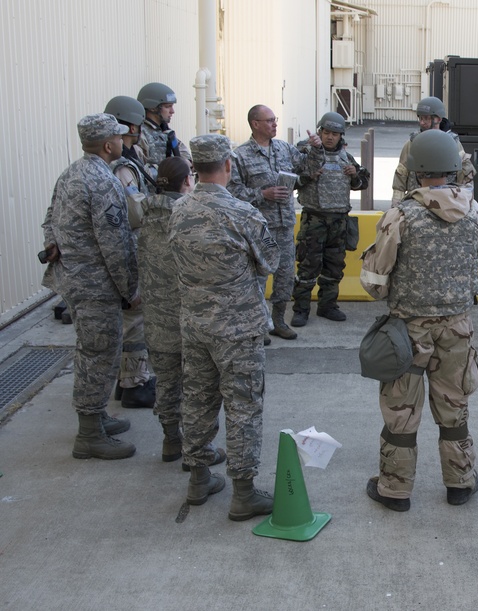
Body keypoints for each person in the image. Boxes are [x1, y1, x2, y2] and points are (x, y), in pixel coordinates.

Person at [361, 129, 478, 512]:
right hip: (458, 327)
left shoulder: (400, 216)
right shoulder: (473, 211)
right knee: (453, 406)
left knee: (401, 410)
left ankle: (395, 490)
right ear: (454, 168)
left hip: (408, 332)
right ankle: (460, 483)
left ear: (415, 170)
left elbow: (373, 281)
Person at [169, 134, 279, 519]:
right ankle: (244, 492)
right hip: (237, 328)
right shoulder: (243, 213)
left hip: (195, 324)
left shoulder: (179, 210)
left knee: (198, 399)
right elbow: (270, 261)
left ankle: (199, 478)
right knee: (243, 405)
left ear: (195, 168)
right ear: (228, 166)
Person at [41, 113, 137, 460]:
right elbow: (115, 244)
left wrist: (54, 244)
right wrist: (130, 288)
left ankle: (96, 417)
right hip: (96, 285)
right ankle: (89, 435)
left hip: (75, 280)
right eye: (118, 138)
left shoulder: (71, 173)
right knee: (99, 354)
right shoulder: (102, 181)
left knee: (93, 349)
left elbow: (50, 216)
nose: (122, 142)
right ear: (108, 144)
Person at [139, 156, 225, 469]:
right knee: (196, 386)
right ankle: (196, 450)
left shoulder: (147, 214)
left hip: (155, 315)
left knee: (166, 381)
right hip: (188, 314)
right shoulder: (189, 216)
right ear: (187, 182)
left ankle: (170, 439)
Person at [228, 104, 307, 342]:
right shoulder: (239, 155)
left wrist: (316, 149)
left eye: (275, 119)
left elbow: (307, 167)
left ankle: (279, 321)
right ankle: (259, 325)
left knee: (285, 276)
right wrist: (263, 195)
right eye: (270, 120)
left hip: (283, 226)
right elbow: (232, 191)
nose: (275, 124)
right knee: (258, 279)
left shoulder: (284, 149)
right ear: (255, 124)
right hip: (257, 228)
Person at [290, 111, 370, 326]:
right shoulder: (305, 153)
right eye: (326, 132)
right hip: (314, 220)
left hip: (339, 221)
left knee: (334, 267)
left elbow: (362, 183)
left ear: (340, 136)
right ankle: (301, 309)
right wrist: (309, 175)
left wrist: (355, 174)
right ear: (320, 132)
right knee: (308, 266)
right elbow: (292, 180)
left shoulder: (346, 157)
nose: (330, 137)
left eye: (335, 134)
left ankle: (327, 305)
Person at [105, 95, 157, 409]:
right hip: (130, 249)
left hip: (128, 248)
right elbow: (136, 211)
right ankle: (136, 384)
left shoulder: (129, 157)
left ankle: (126, 382)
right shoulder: (121, 168)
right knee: (137, 317)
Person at [391, 96, 475, 204]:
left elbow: (466, 178)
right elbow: (400, 178)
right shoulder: (412, 145)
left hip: (446, 204)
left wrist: (466, 205)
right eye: (420, 118)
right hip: (416, 203)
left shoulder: (453, 145)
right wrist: (396, 206)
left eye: (426, 118)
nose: (422, 122)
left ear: (438, 119)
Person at [136, 82, 191, 177]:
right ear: (153, 108)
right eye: (168, 106)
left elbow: (185, 157)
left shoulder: (166, 132)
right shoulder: (140, 134)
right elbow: (140, 171)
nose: (172, 111)